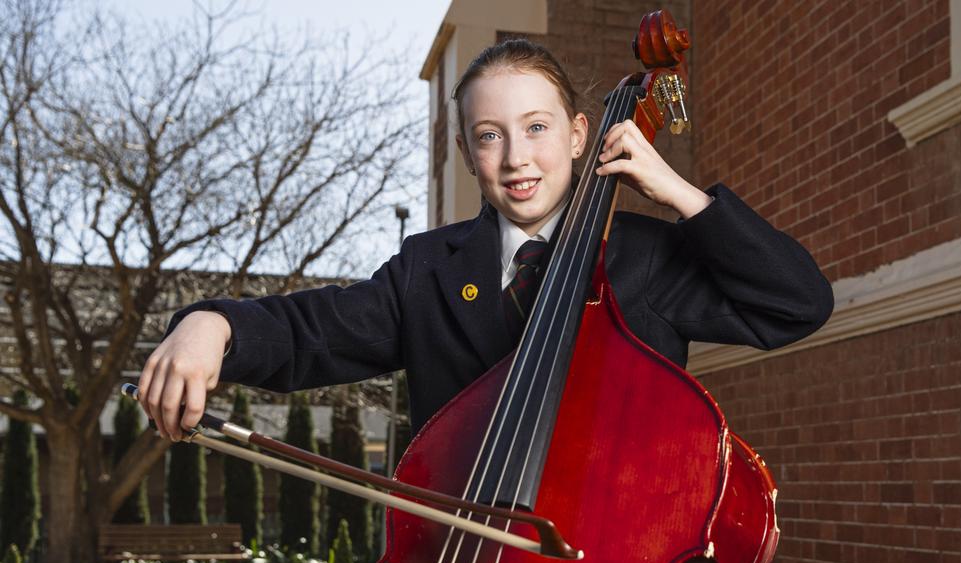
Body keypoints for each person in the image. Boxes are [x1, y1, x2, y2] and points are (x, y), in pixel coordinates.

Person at [138, 39, 833, 442]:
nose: (516, 158)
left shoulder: (648, 258)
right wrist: (213, 324)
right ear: (469, 157)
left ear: (580, 136)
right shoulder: (426, 272)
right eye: (489, 136)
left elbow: (797, 304)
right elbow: (310, 333)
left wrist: (681, 195)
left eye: (537, 127)